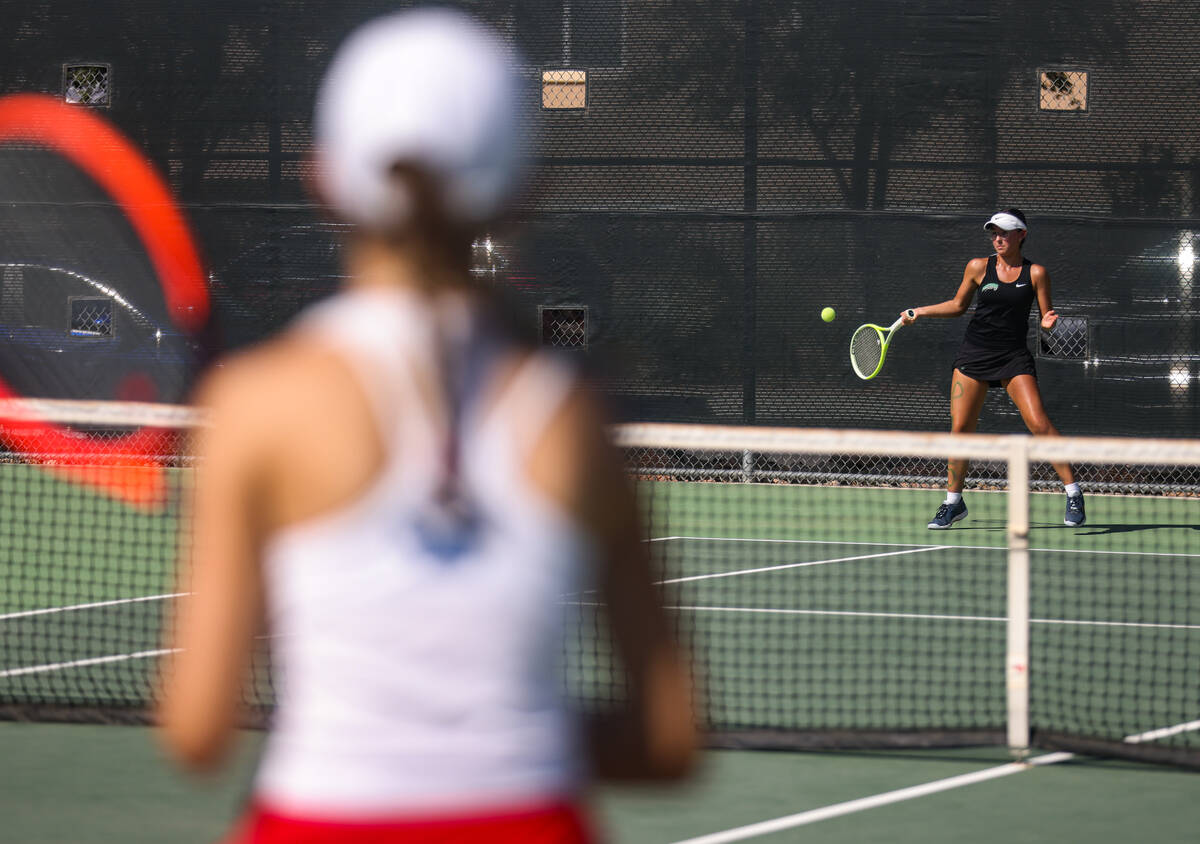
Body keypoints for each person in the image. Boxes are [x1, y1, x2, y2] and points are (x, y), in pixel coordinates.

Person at [156, 9, 696, 843]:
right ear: (526, 192)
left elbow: (197, 732)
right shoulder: (578, 420)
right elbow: (668, 740)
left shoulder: (254, 406)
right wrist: (503, 745)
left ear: (324, 179)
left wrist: (362, 737)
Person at [901, 208, 1085, 529]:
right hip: (974, 355)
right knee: (960, 432)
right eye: (994, 233)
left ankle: (1073, 492)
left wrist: (1048, 323)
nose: (998, 238)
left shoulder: (1036, 273)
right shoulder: (977, 267)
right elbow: (958, 306)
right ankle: (953, 503)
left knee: (1039, 423)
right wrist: (920, 311)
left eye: (1005, 232)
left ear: (1021, 235)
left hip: (1013, 357)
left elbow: (1045, 317)